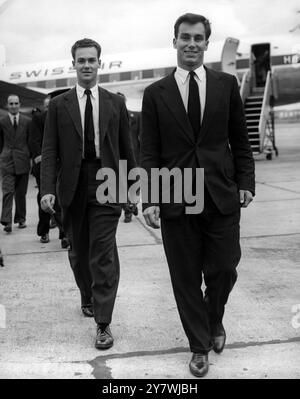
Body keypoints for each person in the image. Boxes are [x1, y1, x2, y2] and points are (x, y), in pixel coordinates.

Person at [141, 13, 255, 377]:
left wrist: (246, 181)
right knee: (185, 276)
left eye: (198, 38)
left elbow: (240, 139)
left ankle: (213, 317)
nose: (191, 43)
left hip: (220, 193)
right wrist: (150, 197)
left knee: (224, 268)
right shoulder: (155, 93)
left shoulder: (225, 85)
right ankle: (199, 345)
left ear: (207, 43)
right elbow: (150, 151)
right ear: (174, 42)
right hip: (176, 196)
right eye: (185, 37)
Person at [40, 38, 136, 350]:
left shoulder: (114, 103)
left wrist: (133, 191)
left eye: (91, 60)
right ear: (74, 64)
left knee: (103, 253)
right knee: (79, 252)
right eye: (81, 60)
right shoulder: (59, 105)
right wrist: (45, 190)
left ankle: (104, 323)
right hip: (72, 185)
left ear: (99, 63)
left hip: (106, 181)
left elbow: (127, 149)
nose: (86, 65)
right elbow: (50, 150)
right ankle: (87, 296)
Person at [29, 96, 70, 248]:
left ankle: (64, 234)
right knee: (44, 198)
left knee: (60, 200)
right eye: (47, 105)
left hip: (61, 165)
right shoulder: (38, 119)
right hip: (43, 166)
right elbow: (34, 140)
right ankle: (44, 230)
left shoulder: (62, 116)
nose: (49, 107)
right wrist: (39, 157)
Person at [0, 94, 31, 233]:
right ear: (7, 105)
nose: (13, 106)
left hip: (23, 160)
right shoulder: (2, 122)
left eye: (16, 103)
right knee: (7, 191)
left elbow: (30, 140)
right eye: (11, 104)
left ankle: (21, 218)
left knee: (21, 193)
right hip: (7, 161)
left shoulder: (27, 121)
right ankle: (7, 221)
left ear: (19, 104)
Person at [116, 92, 140, 223]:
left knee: (135, 183)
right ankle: (128, 208)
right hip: (118, 157)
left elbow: (142, 137)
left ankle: (133, 205)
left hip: (134, 156)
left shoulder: (135, 116)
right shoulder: (111, 118)